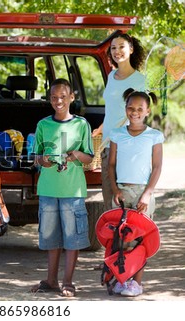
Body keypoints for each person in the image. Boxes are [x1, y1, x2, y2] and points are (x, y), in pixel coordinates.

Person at [30, 78, 94, 297]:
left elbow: (88, 158)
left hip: (72, 190)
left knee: (72, 237)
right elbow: (36, 156)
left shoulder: (81, 124)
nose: (59, 101)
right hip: (48, 189)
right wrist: (42, 160)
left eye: (63, 97)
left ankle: (68, 282)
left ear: (72, 98)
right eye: (54, 97)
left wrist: (76, 154)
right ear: (49, 99)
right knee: (50, 237)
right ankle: (51, 280)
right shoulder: (42, 125)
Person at [108, 88, 164, 297]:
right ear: (125, 109)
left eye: (140, 109)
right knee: (121, 239)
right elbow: (111, 164)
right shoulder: (117, 134)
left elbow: (157, 167)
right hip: (122, 192)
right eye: (131, 108)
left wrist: (147, 194)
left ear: (147, 111)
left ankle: (136, 283)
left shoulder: (154, 136)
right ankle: (122, 279)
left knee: (140, 240)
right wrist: (115, 189)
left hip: (142, 193)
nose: (135, 112)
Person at [92, 34, 146, 211]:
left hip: (127, 148)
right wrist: (100, 129)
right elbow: (112, 110)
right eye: (113, 48)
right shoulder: (111, 76)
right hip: (108, 146)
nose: (117, 51)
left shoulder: (140, 81)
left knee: (128, 203)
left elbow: (139, 117)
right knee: (111, 203)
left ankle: (129, 239)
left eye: (121, 47)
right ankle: (114, 240)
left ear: (131, 49)